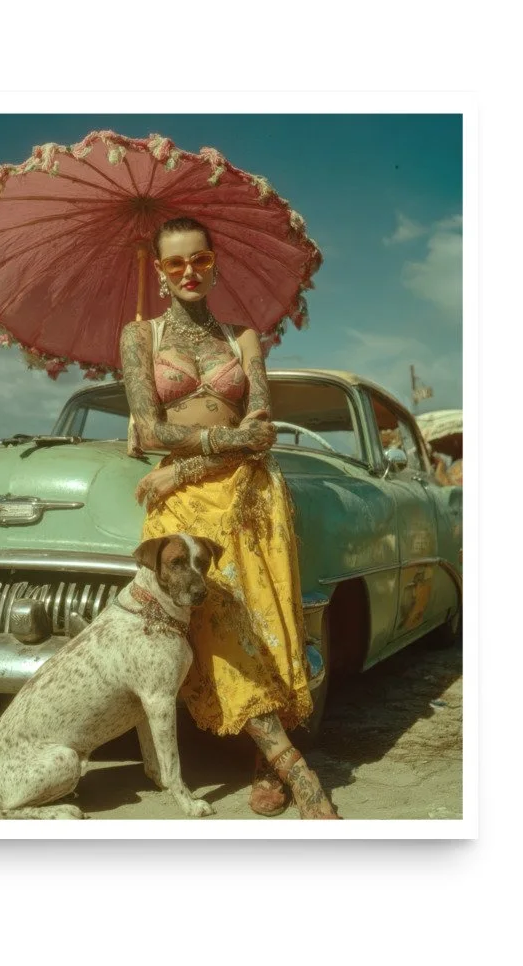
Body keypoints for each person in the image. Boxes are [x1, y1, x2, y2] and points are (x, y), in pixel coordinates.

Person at [119, 216, 340, 819]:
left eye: (200, 259)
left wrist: (189, 464)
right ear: (159, 272)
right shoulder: (138, 337)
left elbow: (262, 432)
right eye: (175, 262)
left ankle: (265, 763)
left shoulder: (243, 337)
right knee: (216, 626)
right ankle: (296, 767)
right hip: (183, 509)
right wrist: (217, 443)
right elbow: (152, 429)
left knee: (267, 624)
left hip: (249, 495)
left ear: (214, 263)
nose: (189, 271)